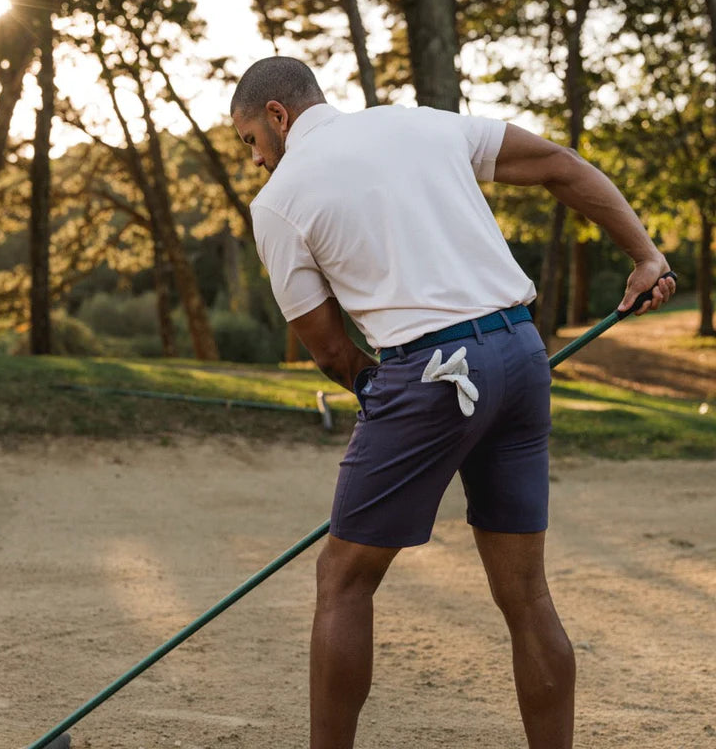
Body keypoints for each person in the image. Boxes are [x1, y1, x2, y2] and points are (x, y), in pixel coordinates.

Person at [229, 56, 675, 749]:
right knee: (526, 596)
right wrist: (646, 255)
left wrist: (391, 402)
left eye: (250, 141)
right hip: (521, 354)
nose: (255, 160)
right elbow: (560, 164)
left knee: (343, 579)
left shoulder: (278, 202)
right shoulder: (422, 125)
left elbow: (330, 351)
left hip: (429, 375)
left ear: (278, 116)